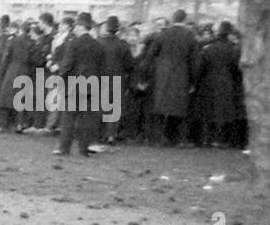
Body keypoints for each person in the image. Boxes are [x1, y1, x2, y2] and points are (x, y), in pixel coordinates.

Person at [138, 8, 200, 146]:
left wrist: (144, 77)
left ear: (173, 19)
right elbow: (195, 61)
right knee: (180, 108)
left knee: (160, 106)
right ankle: (179, 139)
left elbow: (149, 57)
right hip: (182, 74)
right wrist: (193, 81)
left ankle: (158, 138)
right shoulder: (190, 36)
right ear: (185, 20)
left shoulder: (162, 35)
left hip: (162, 74)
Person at [55, 12, 104, 157]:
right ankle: (83, 149)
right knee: (86, 119)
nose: (74, 28)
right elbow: (102, 67)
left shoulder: (73, 43)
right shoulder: (98, 45)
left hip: (74, 84)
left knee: (69, 118)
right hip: (91, 86)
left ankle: (65, 148)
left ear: (82, 26)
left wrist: (61, 78)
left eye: (76, 26)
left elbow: (67, 65)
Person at [192, 21, 242, 149]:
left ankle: (206, 139)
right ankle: (221, 139)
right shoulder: (233, 49)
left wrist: (196, 81)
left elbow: (200, 67)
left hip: (208, 81)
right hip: (227, 82)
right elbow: (236, 68)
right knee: (224, 112)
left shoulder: (208, 48)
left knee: (208, 111)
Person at [97, 16, 133, 145]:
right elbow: (130, 64)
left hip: (101, 79)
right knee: (114, 109)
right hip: (118, 79)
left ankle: (100, 134)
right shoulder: (123, 45)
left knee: (101, 107)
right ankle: (110, 135)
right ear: (117, 29)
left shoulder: (99, 42)